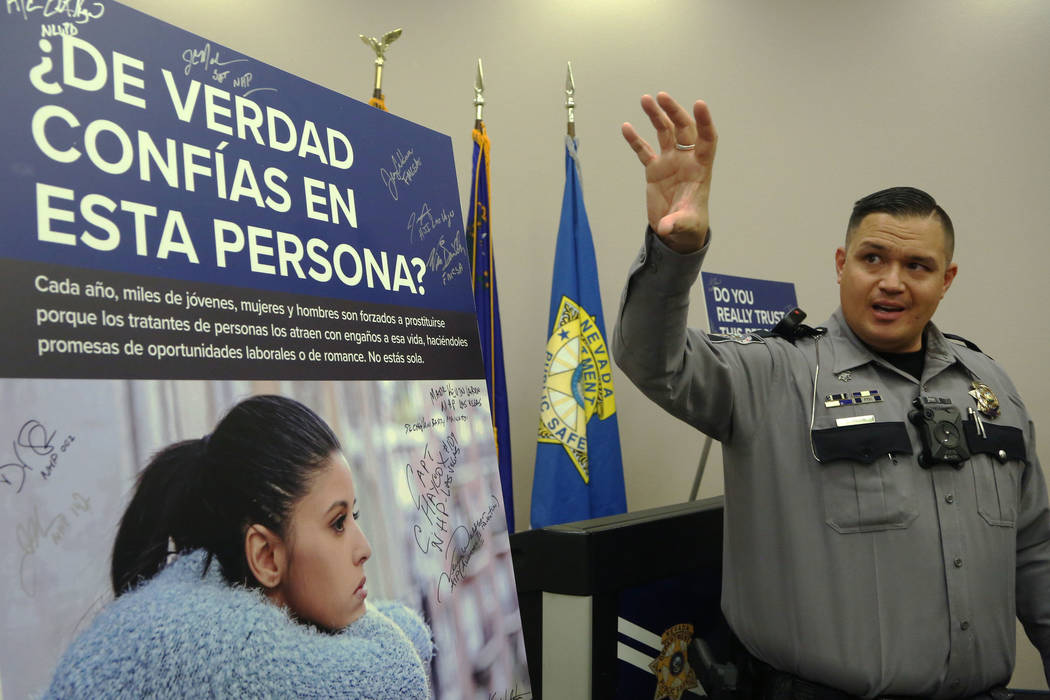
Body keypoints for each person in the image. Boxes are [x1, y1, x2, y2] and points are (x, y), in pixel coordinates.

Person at [613, 92, 1050, 698]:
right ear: (842, 264)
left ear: (946, 280)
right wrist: (676, 251)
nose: (891, 282)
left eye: (918, 266)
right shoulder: (774, 375)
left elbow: (1034, 553)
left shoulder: (990, 389)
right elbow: (653, 361)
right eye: (873, 258)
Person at [45, 394, 433, 699]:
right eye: (337, 523)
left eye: (355, 517)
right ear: (265, 556)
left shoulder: (222, 602)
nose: (363, 548)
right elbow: (397, 677)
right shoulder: (217, 648)